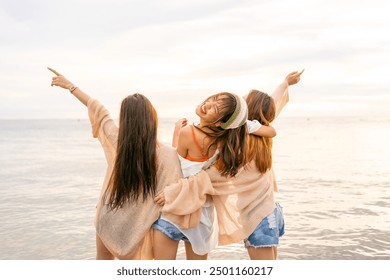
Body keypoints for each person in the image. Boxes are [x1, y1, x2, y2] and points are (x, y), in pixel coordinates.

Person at [155, 70, 304, 260]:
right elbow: (272, 105)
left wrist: (172, 191)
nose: (240, 99)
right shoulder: (259, 135)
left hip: (255, 216)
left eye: (244, 99)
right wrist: (285, 84)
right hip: (271, 211)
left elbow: (208, 177)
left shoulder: (242, 144)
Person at [48, 67, 185, 259]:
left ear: (125, 119)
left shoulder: (118, 140)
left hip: (108, 215)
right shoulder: (167, 155)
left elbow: (98, 109)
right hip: (137, 226)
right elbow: (175, 183)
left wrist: (70, 86)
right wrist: (177, 135)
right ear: (152, 119)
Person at [152, 92, 250, 260]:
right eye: (212, 99)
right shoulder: (225, 145)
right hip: (202, 219)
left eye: (216, 108)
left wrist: (177, 132)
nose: (208, 104)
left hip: (175, 210)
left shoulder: (188, 132)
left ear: (221, 122)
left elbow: (176, 167)